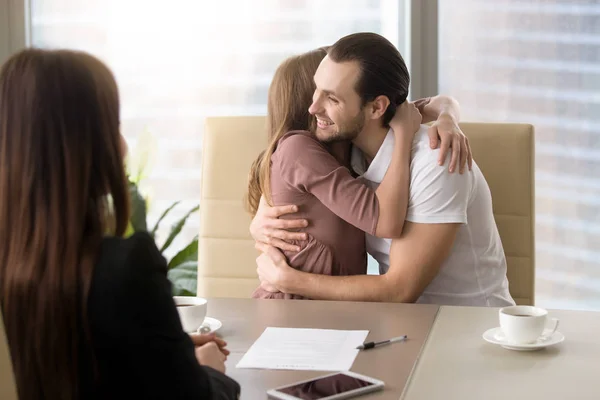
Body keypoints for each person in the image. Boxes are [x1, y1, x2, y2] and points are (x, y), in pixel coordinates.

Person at [0, 49, 240, 399]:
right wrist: (207, 370)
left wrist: (167, 348)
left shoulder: (16, 259)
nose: (124, 147)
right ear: (81, 145)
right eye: (113, 127)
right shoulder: (125, 267)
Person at [252, 33, 515, 307]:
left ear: (377, 107)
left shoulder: (436, 161)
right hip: (397, 320)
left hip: (463, 324)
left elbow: (399, 290)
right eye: (315, 90)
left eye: (333, 99)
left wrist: (287, 279)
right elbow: (291, 171)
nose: (313, 107)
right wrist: (260, 217)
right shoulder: (347, 152)